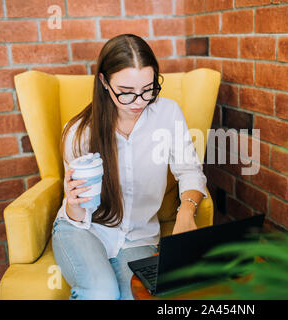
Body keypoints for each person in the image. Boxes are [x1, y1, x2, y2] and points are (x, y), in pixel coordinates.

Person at [51, 34, 208, 300]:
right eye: (126, 93)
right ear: (104, 82)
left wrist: (186, 212)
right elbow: (78, 215)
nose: (139, 102)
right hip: (83, 229)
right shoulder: (79, 133)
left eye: (148, 89)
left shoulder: (168, 114)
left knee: (136, 296)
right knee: (101, 292)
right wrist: (75, 202)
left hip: (140, 236)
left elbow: (190, 170)